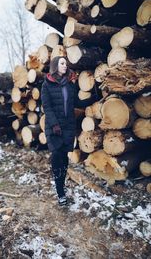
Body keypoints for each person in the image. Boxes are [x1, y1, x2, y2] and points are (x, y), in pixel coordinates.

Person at [41, 56, 97, 206]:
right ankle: (60, 192)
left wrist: (93, 99)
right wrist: (54, 125)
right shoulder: (47, 84)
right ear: (55, 66)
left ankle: (62, 188)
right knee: (56, 155)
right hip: (54, 127)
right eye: (62, 63)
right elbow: (47, 107)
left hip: (68, 126)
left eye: (66, 63)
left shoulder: (70, 85)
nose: (65, 66)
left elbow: (76, 103)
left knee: (64, 156)